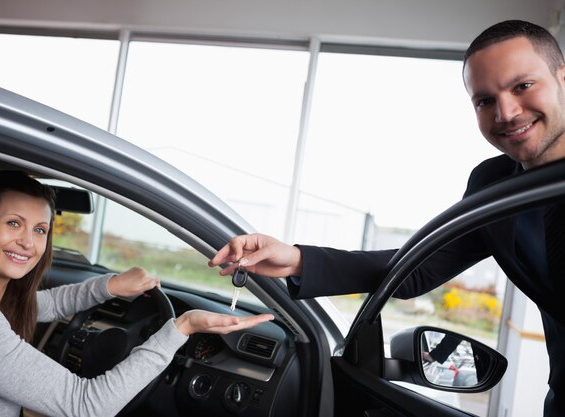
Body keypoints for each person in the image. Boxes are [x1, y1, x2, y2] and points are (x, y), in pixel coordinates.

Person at [209, 20, 565, 417]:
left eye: (523, 86)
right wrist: (296, 258)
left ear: (562, 77)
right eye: (484, 100)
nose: (507, 112)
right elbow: (415, 270)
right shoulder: (493, 183)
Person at [0, 170, 274, 417]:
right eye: (13, 223)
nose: (28, 243)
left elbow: (45, 304)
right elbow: (86, 406)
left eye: (39, 230)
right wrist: (182, 328)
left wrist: (110, 286)